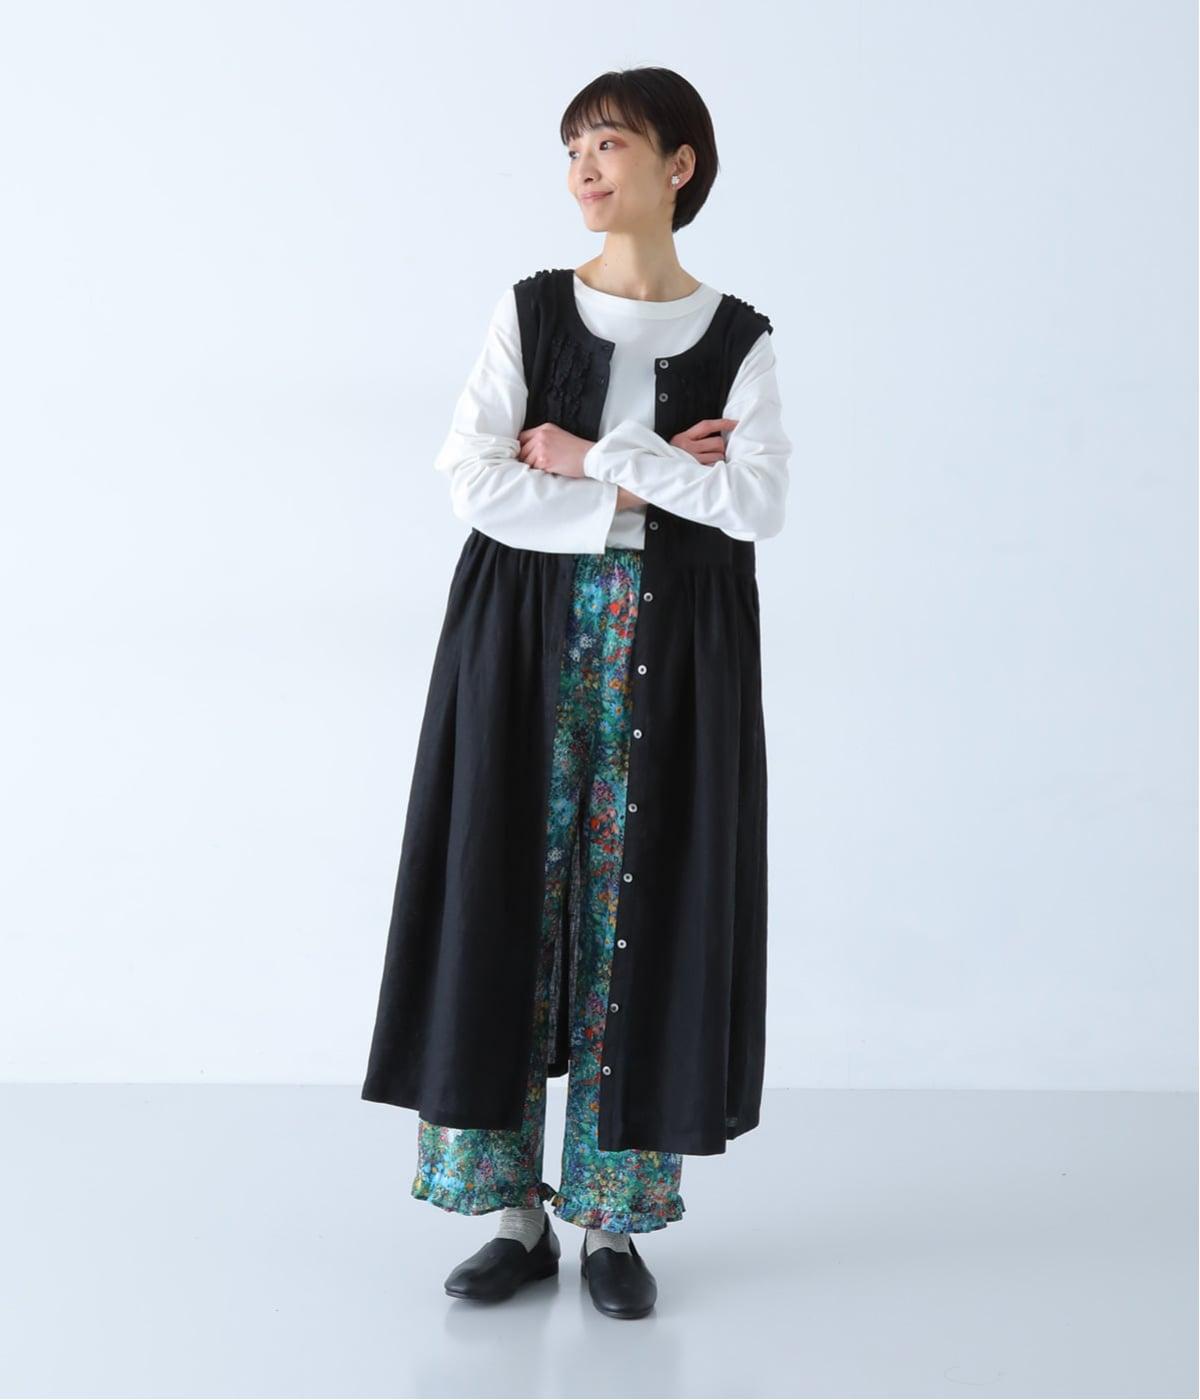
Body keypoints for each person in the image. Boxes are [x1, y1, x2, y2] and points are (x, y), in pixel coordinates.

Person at [361, 66, 793, 1321]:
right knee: (505, 883)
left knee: (645, 903)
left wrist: (595, 457)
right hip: (522, 639)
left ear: (681, 163)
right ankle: (512, 1214)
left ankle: (613, 1223)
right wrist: (650, 489)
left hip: (681, 651)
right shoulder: (532, 310)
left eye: (609, 143)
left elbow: (759, 502)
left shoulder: (740, 337)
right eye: (572, 150)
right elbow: (473, 477)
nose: (584, 170)